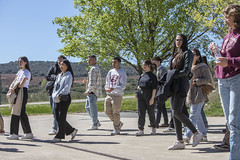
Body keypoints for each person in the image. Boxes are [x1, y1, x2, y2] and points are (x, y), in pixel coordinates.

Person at [209, 4, 240, 159]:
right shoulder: (227, 36)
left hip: (236, 80)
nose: (225, 20)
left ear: (236, 16)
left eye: (228, 16)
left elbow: (232, 60)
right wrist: (216, 52)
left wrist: (229, 61)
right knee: (230, 121)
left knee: (234, 122)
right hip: (223, 81)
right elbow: (224, 57)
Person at [168, 34, 203, 150]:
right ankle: (180, 141)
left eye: (180, 40)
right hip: (173, 85)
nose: (178, 42)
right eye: (176, 40)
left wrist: (174, 74)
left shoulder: (187, 53)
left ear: (184, 41)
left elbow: (187, 70)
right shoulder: (175, 54)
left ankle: (196, 133)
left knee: (177, 112)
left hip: (181, 84)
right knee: (175, 113)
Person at [183, 48, 214, 143]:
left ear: (198, 56)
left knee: (193, 115)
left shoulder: (203, 66)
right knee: (198, 115)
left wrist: (197, 81)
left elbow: (208, 79)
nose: (191, 56)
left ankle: (187, 135)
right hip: (191, 93)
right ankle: (204, 135)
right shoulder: (188, 68)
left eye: (194, 54)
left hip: (200, 93)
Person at [7, 56, 34, 140]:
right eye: (19, 61)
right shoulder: (19, 72)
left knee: (17, 112)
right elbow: (15, 81)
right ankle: (28, 133)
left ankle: (15, 133)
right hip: (17, 92)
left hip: (21, 92)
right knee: (20, 112)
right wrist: (11, 87)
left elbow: (21, 84)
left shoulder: (27, 72)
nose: (20, 63)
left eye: (21, 61)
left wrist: (14, 87)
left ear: (26, 62)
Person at [51, 59, 78, 142]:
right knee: (57, 116)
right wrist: (54, 95)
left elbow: (67, 87)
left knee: (62, 117)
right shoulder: (59, 75)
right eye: (60, 65)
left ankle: (60, 135)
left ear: (67, 66)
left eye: (63, 65)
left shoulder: (68, 75)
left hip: (64, 98)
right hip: (56, 98)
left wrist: (60, 95)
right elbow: (56, 86)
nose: (61, 66)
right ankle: (71, 130)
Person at [104, 57, 127, 135]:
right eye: (112, 62)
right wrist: (107, 88)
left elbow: (123, 85)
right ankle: (118, 123)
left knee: (116, 112)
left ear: (119, 63)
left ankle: (117, 129)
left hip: (117, 95)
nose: (113, 64)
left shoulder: (122, 72)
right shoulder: (110, 71)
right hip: (109, 94)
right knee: (107, 111)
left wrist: (114, 88)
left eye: (115, 62)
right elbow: (107, 82)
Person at [45, 55, 66, 135]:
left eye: (61, 60)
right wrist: (54, 77)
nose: (59, 62)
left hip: (60, 93)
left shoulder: (66, 70)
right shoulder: (53, 68)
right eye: (58, 60)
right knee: (54, 111)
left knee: (59, 112)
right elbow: (47, 77)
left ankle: (57, 128)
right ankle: (57, 128)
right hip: (52, 92)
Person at [136, 60, 157, 136]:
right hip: (141, 95)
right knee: (141, 113)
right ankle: (140, 129)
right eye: (143, 65)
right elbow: (139, 85)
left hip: (149, 95)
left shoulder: (153, 76)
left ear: (149, 65)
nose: (143, 66)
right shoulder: (142, 75)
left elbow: (154, 88)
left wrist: (152, 98)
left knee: (151, 112)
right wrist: (137, 93)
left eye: (145, 65)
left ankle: (153, 127)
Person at [83, 55, 102, 130]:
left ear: (94, 60)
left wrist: (88, 90)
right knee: (87, 107)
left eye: (90, 60)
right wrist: (87, 82)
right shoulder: (94, 68)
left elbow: (93, 82)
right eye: (88, 60)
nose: (88, 62)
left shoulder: (93, 69)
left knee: (92, 108)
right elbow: (92, 80)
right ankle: (96, 121)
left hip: (92, 92)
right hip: (92, 91)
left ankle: (95, 124)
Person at [152, 57, 168, 128]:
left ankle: (156, 122)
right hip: (159, 90)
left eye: (155, 61)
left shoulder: (162, 69)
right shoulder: (158, 69)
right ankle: (166, 122)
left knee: (159, 106)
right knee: (162, 107)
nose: (154, 63)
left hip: (161, 90)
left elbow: (163, 80)